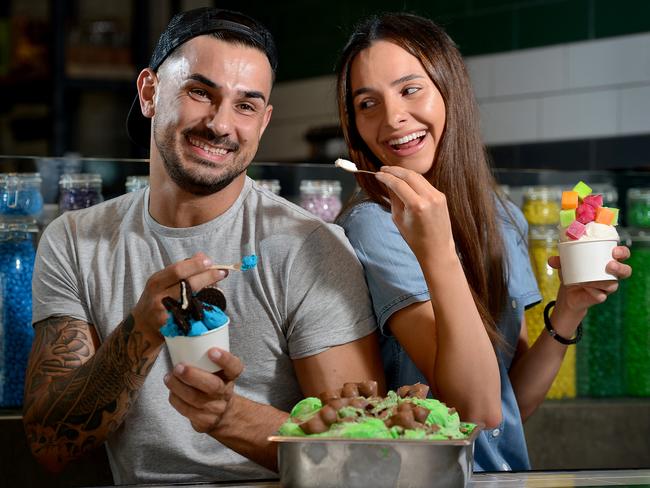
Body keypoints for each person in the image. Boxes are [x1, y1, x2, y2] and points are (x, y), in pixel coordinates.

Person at [22, 8, 385, 485]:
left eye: (246, 105)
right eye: (200, 92)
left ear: (264, 120)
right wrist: (141, 332)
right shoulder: (74, 240)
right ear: (150, 91)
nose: (219, 124)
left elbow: (359, 456)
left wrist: (226, 415)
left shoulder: (309, 248)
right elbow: (50, 445)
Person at [335, 13, 632, 472]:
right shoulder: (375, 225)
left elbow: (510, 406)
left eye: (410, 89)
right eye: (367, 103)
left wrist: (569, 308)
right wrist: (437, 250)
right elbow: (474, 410)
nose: (392, 118)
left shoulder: (503, 217)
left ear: (449, 90)